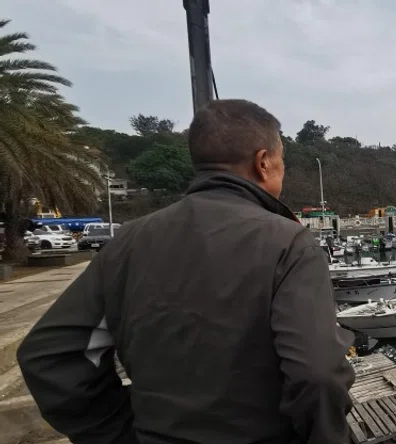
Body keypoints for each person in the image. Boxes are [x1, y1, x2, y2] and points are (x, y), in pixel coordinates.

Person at [17, 99, 356, 444]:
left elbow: (51, 356)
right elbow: (318, 374)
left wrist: (119, 432)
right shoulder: (288, 242)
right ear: (264, 162)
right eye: (282, 161)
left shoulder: (127, 242)